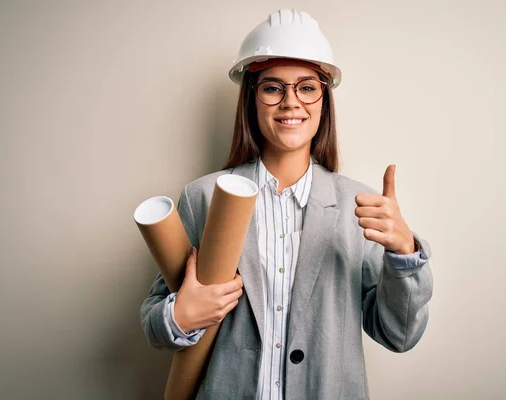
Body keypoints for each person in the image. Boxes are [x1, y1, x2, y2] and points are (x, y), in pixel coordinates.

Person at [140, 9, 433, 400]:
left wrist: (404, 255)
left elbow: (399, 334)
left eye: (307, 87)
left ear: (324, 101)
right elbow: (155, 323)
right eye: (273, 87)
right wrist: (179, 316)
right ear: (252, 98)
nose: (291, 102)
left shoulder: (358, 205)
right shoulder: (204, 197)